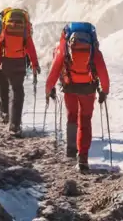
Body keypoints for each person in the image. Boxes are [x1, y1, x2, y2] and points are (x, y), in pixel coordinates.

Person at [45, 22, 110, 173]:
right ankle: (83, 158)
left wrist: (49, 90)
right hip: (88, 89)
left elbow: (54, 71)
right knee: (85, 121)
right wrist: (104, 92)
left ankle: (70, 150)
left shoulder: (64, 49)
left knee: (72, 116)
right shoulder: (94, 51)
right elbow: (104, 75)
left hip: (70, 88)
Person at [0, 8, 39, 135]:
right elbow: (30, 47)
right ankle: (15, 125)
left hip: (6, 62)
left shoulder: (5, 29)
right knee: (18, 92)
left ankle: (5, 113)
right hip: (19, 63)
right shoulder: (24, 30)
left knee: (4, 87)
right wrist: (35, 64)